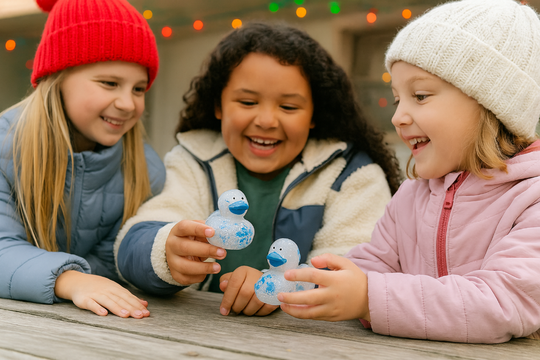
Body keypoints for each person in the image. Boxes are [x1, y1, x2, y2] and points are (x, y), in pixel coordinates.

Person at [277, 0, 540, 344]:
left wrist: (369, 297)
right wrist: (290, 286)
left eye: (420, 95)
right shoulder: (413, 195)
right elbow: (370, 266)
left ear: (492, 104)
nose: (398, 116)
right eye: (397, 98)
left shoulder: (530, 199)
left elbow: (502, 302)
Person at [115, 22, 401, 317]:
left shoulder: (352, 175)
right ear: (219, 105)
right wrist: (164, 251)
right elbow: (134, 243)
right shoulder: (193, 161)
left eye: (288, 107)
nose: (266, 120)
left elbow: (355, 272)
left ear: (314, 114)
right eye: (248, 102)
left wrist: (279, 289)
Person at [0, 0, 166, 319]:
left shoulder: (146, 169)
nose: (128, 103)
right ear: (59, 76)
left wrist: (165, 258)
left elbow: (122, 260)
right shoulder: (6, 146)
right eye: (110, 83)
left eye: (139, 89)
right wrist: (70, 279)